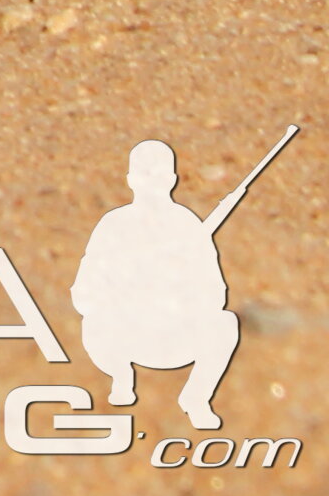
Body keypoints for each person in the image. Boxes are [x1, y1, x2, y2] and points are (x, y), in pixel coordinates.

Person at [75, 136, 255, 432]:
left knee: (225, 324)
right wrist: (125, 285)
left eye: (158, 173)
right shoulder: (113, 225)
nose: (151, 180)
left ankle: (196, 398)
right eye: (145, 172)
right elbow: (84, 291)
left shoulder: (188, 226)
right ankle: (121, 378)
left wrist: (178, 288)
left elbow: (215, 293)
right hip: (126, 335)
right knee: (93, 322)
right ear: (131, 178)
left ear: (172, 178)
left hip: (176, 333)